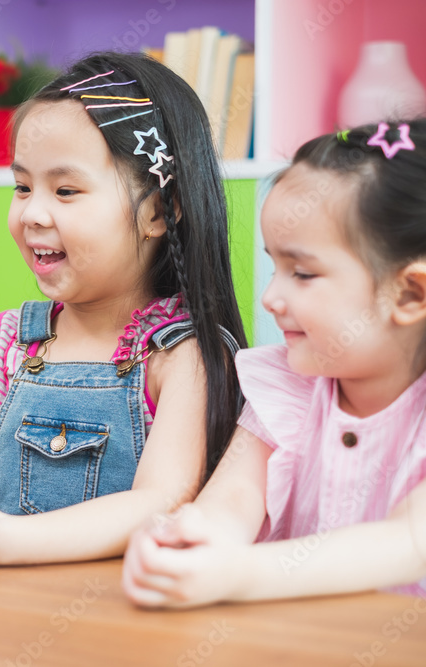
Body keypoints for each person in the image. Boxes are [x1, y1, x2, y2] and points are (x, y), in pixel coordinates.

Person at [0, 52, 247, 564]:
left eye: (65, 190)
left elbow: (159, 505)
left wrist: (3, 541)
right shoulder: (16, 342)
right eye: (22, 187)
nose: (32, 213)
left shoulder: (181, 354)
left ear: (159, 212)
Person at [123, 120, 426, 606]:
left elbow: (407, 543)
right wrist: (187, 542)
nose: (269, 298)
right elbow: (235, 498)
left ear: (410, 292)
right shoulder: (289, 385)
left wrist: (239, 574)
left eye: (302, 273)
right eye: (274, 267)